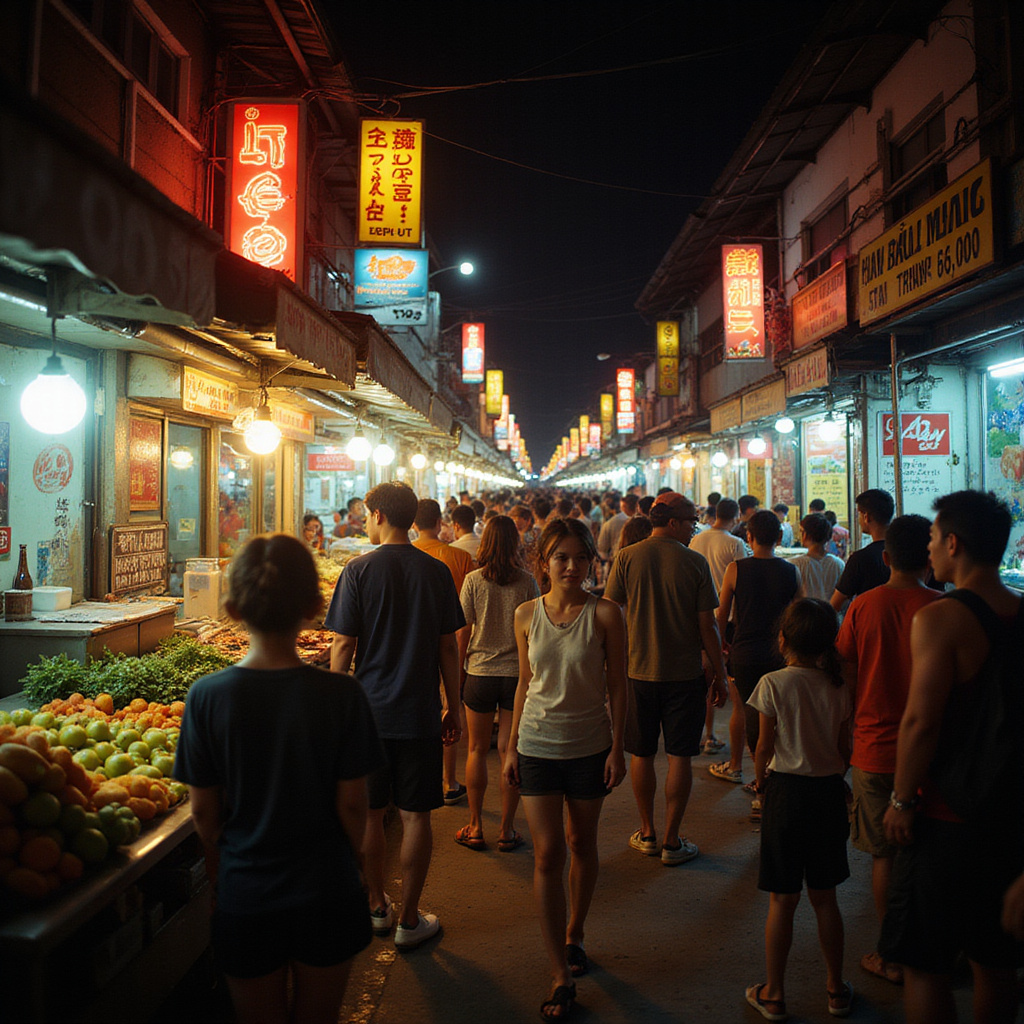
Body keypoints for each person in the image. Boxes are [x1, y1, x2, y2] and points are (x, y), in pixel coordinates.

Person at [176, 534, 384, 1024]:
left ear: (229, 605)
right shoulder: (343, 695)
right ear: (316, 606)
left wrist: (230, 862)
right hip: (327, 891)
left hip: (247, 894)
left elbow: (205, 814)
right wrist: (349, 861)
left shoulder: (206, 697)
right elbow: (354, 807)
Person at [880, 490, 1023, 1024]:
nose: (931, 549)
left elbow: (921, 721)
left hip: (946, 815)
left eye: (935, 539)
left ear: (955, 544)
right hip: (1007, 815)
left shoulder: (940, 618)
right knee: (996, 965)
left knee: (926, 966)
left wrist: (900, 799)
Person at [326, 482, 466, 951]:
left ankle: (376, 906)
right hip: (420, 712)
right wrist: (454, 705)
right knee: (416, 817)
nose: (366, 522)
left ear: (379, 514)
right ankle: (410, 918)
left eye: (368, 515)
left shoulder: (358, 569)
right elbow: (449, 646)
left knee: (370, 815)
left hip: (368, 715)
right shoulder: (436, 571)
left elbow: (343, 644)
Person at [504, 518, 627, 1022]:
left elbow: (618, 684)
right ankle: (559, 972)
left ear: (591, 563)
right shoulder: (525, 614)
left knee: (581, 844)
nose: (572, 566)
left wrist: (619, 748)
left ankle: (576, 932)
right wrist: (510, 745)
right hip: (536, 743)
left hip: (589, 746)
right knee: (548, 854)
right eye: (561, 558)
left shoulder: (606, 614)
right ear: (544, 563)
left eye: (581, 558)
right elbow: (524, 682)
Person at [835, 514, 940, 988]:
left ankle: (891, 952)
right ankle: (938, 947)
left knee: (883, 856)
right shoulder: (943, 607)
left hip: (875, 749)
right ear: (931, 558)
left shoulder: (863, 607)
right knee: (932, 853)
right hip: (935, 751)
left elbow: (846, 670)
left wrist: (851, 724)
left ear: (885, 557)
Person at [605, 492, 728, 865]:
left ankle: (647, 833)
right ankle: (672, 841)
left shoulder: (627, 557)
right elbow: (707, 625)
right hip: (684, 675)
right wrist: (720, 675)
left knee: (641, 754)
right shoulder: (694, 562)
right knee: (679, 758)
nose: (695, 527)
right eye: (692, 520)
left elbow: (610, 611)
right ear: (673, 522)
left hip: (637, 673)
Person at [745, 598, 854, 1022]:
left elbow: (764, 747)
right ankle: (835, 989)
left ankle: (774, 993)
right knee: (825, 899)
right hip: (827, 794)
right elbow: (844, 749)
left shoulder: (772, 684)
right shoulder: (839, 686)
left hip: (785, 795)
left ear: (782, 639)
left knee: (782, 900)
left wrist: (761, 784)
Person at [455, 516, 539, 852]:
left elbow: (463, 631)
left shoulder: (473, 580)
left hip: (480, 672)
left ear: (486, 542)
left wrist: (458, 673)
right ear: (515, 543)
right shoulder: (527, 583)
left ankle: (475, 826)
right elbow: (535, 633)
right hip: (516, 676)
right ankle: (506, 829)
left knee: (476, 748)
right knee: (510, 749)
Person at [710, 509, 800, 820]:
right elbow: (799, 614)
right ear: (779, 537)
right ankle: (775, 782)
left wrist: (720, 646)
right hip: (780, 655)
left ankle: (761, 788)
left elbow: (721, 614)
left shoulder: (736, 569)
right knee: (780, 719)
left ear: (748, 537)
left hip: (744, 654)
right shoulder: (791, 571)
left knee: (750, 714)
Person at [412, 498, 474, 805]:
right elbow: (464, 615)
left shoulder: (403, 557)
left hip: (412, 650)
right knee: (449, 708)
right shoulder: (459, 558)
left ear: (413, 524)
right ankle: (449, 781)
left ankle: (421, 779)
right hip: (448, 645)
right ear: (441, 524)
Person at [689, 497, 748, 756]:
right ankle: (723, 738)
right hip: (727, 617)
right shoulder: (735, 543)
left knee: (705, 674)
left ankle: (707, 733)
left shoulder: (696, 539)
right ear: (735, 517)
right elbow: (743, 581)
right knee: (726, 679)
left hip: (698, 614)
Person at [830, 489, 894, 612]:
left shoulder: (860, 558)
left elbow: (836, 603)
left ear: (866, 516)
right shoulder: (903, 551)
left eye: (858, 514)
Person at [787, 513, 845, 603]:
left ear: (805, 535)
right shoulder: (838, 564)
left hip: (803, 615)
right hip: (831, 615)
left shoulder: (794, 564)